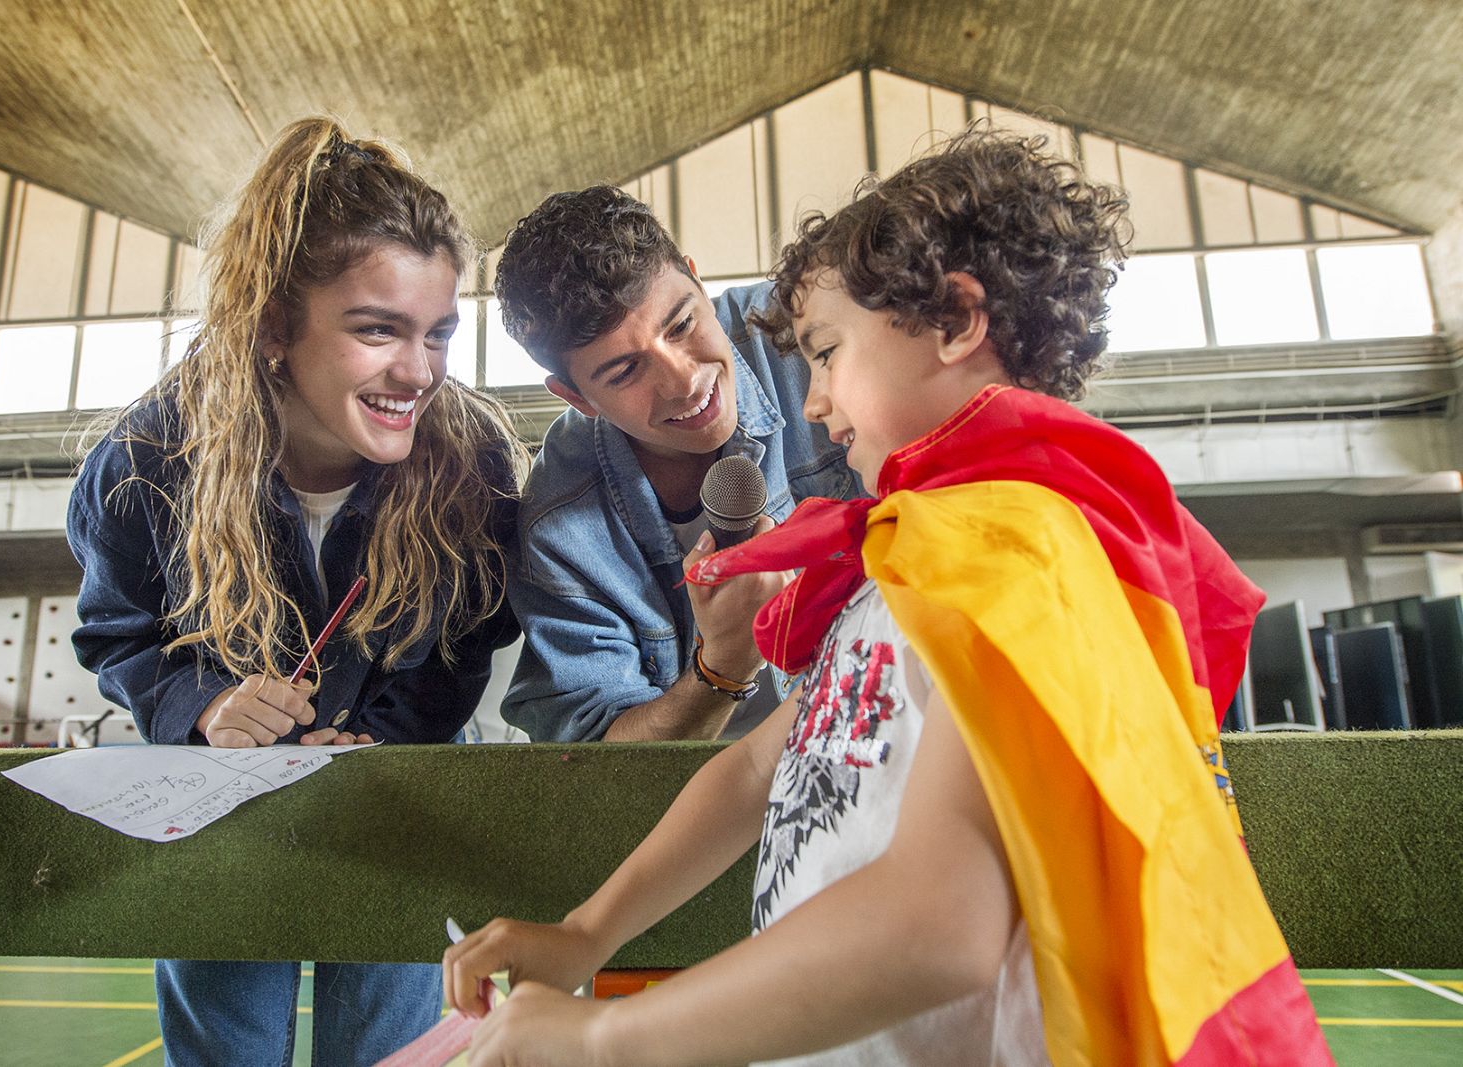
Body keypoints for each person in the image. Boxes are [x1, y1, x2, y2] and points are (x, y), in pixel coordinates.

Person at [442, 129, 1332, 1066]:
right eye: (622, 369)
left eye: (824, 353)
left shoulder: (1021, 560)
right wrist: (586, 933)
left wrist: (606, 1036)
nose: (812, 401)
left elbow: (941, 924)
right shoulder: (911, 557)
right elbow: (753, 771)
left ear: (954, 322)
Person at [67, 117, 524, 1067]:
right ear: (276, 325)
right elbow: (119, 637)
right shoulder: (145, 461)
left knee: (390, 1051)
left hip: (396, 797)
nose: (420, 372)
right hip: (216, 804)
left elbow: (466, 643)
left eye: (436, 333)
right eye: (376, 330)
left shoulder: (471, 458)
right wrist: (205, 708)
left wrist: (382, 738)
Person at [495, 187, 860, 742]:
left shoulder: (806, 330)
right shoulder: (558, 525)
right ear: (577, 399)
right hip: (714, 784)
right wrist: (724, 666)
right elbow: (599, 759)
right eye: (624, 373)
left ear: (696, 280)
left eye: (682, 325)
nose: (685, 381)